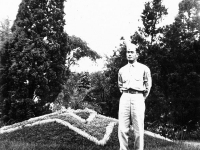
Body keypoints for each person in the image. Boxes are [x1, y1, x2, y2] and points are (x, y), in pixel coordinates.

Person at [118, 41, 152, 150]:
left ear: (137, 54)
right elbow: (120, 85)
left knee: (138, 130)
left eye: (132, 52)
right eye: (128, 52)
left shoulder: (144, 69)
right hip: (125, 97)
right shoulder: (122, 70)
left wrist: (141, 97)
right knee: (123, 128)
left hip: (138, 97)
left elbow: (148, 86)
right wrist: (126, 94)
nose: (129, 54)